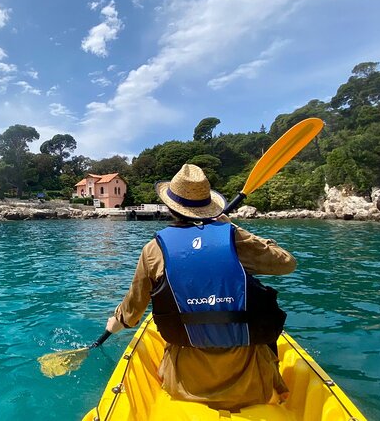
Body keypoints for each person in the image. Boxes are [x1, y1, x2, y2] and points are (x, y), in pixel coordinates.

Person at [105, 164, 296, 411]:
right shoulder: (236, 239)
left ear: (171, 208)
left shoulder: (153, 250)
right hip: (252, 384)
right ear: (210, 208)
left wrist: (117, 321)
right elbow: (286, 263)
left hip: (184, 385)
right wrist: (233, 229)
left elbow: (133, 311)